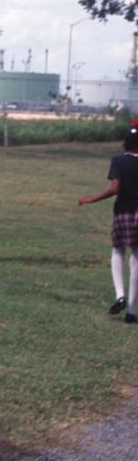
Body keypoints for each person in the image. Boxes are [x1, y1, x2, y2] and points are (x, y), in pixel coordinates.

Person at [77, 119, 138, 324]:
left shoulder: (119, 161)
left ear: (125, 144)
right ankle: (130, 310)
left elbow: (114, 189)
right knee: (136, 257)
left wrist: (91, 198)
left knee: (118, 251)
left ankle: (119, 295)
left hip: (123, 213)